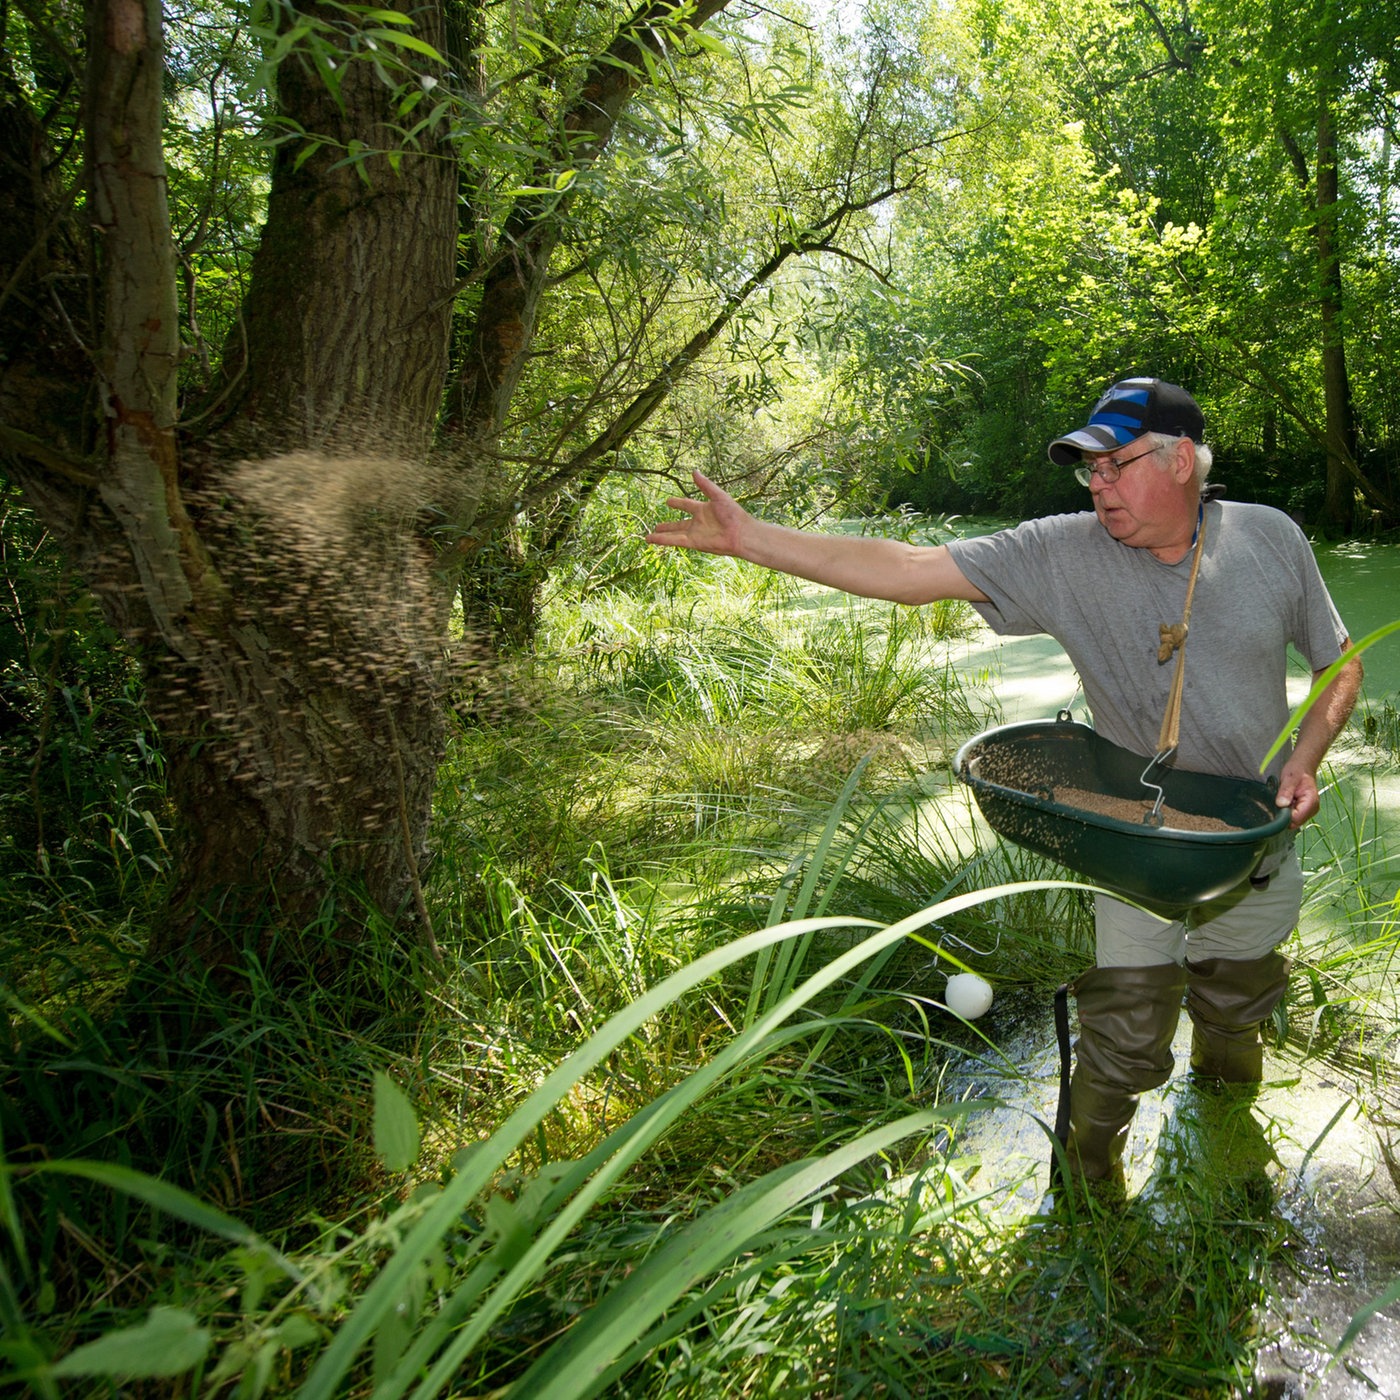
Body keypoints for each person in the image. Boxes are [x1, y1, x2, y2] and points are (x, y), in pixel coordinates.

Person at [646, 377, 1363, 1189]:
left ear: (1182, 463)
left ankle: (1230, 1161)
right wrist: (757, 540)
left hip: (1252, 839)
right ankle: (1083, 1198)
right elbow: (911, 567)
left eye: (1114, 466)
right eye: (1087, 470)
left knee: (1239, 1004)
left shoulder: (1270, 538)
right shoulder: (1063, 552)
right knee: (1123, 1034)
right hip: (1143, 846)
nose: (1097, 485)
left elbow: (1340, 661)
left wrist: (1302, 760)